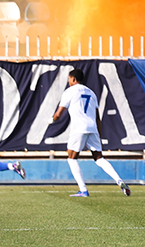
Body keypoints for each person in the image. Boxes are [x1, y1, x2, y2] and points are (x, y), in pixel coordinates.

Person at [52, 68, 130, 197]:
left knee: (71, 158)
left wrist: (52, 119)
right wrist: (99, 136)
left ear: (73, 79)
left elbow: (58, 114)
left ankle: (83, 190)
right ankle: (119, 180)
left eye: (69, 80)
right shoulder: (92, 93)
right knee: (99, 158)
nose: (69, 82)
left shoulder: (69, 91)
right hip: (92, 127)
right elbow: (98, 117)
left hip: (79, 127)